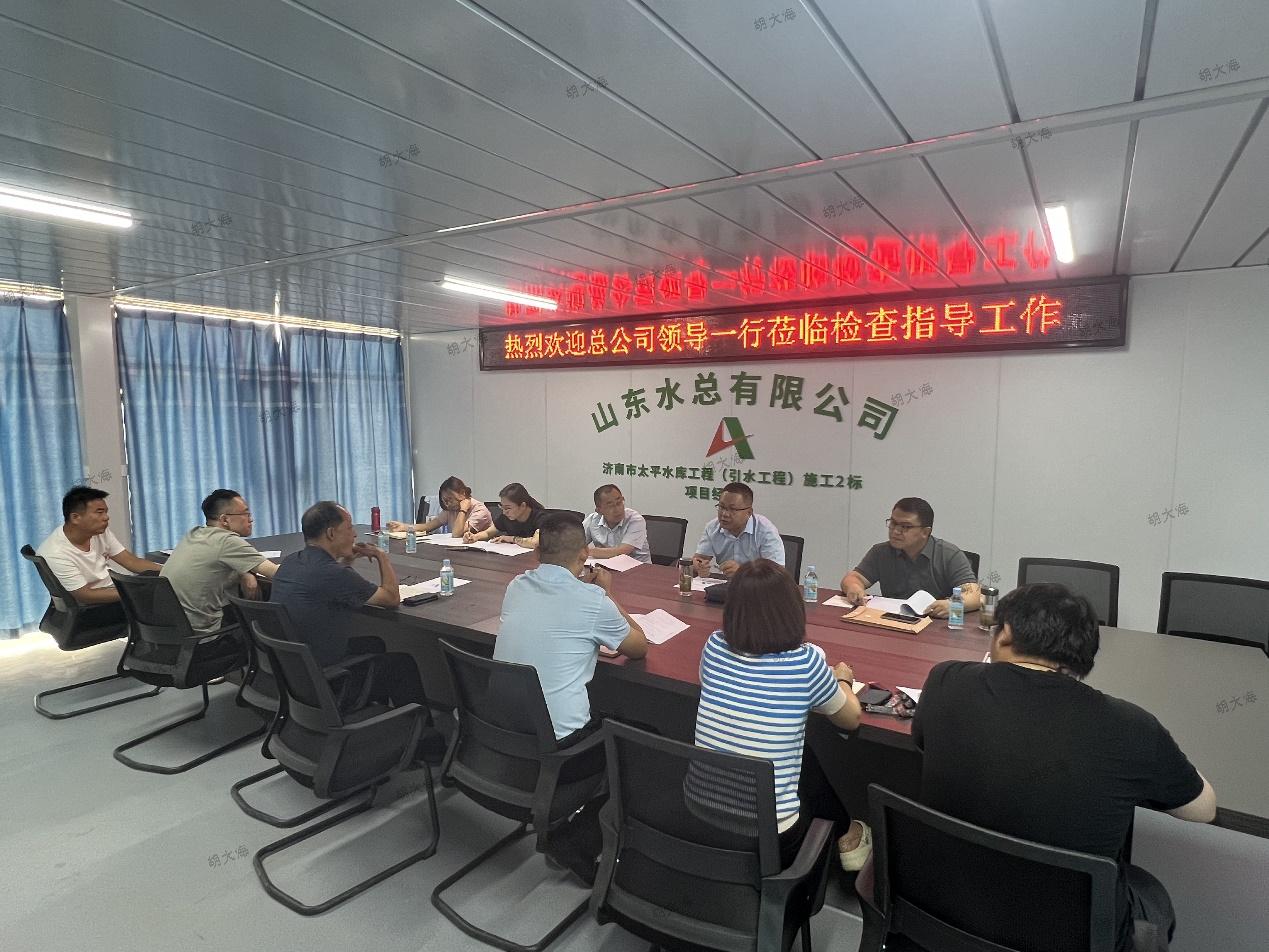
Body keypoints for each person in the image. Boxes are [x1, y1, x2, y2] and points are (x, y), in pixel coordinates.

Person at [911, 583, 1215, 951]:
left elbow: (923, 740)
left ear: (1005, 633)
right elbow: (1203, 809)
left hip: (943, 907)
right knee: (1151, 895)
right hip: (1070, 935)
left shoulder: (945, 680)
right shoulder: (1132, 727)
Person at [694, 559, 870, 871]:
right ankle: (845, 837)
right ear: (792, 611)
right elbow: (851, 718)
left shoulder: (713, 646)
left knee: (803, 755)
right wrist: (842, 679)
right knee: (799, 756)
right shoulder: (806, 663)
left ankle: (842, 831)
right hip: (770, 838)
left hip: (700, 816)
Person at [270, 502, 438, 749]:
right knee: (402, 664)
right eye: (349, 528)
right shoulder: (330, 573)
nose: (355, 535)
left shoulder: (292, 562)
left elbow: (332, 587)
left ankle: (377, 724)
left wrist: (346, 561)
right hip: (327, 681)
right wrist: (381, 557)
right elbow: (391, 598)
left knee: (373, 644)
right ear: (331, 533)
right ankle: (425, 743)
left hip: (298, 674)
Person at [494, 511, 648, 741]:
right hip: (560, 741)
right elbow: (639, 648)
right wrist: (607, 594)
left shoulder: (516, 586)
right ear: (585, 553)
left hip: (501, 727)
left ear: (537, 552)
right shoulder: (593, 600)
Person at [36, 487, 162, 624]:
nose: (106, 517)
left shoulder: (99, 532)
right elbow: (85, 595)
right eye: (99, 512)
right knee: (163, 599)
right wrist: (134, 593)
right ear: (75, 518)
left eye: (106, 512)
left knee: (158, 579)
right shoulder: (56, 552)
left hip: (114, 592)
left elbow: (131, 561)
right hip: (95, 609)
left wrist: (169, 571)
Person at [160, 489, 277, 635]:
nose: (251, 519)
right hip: (203, 634)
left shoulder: (194, 533)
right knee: (265, 622)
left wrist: (245, 571)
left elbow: (214, 563)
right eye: (246, 514)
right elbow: (276, 573)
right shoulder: (227, 541)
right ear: (225, 520)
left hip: (170, 630)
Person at [839, 496, 979, 618]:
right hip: (893, 622)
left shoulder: (949, 554)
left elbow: (975, 594)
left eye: (905, 527)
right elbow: (853, 578)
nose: (895, 531)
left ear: (925, 532)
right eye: (893, 523)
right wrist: (854, 587)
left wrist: (952, 605)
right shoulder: (881, 552)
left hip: (934, 625)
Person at [691, 481, 784, 578]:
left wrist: (743, 572)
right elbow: (699, 559)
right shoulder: (712, 527)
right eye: (721, 507)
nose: (724, 514)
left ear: (749, 512)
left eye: (733, 509)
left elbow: (777, 574)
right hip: (725, 584)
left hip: (756, 586)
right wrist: (698, 566)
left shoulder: (765, 531)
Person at [386, 475, 492, 538]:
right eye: (445, 501)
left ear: (462, 493)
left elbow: (457, 534)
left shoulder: (480, 510)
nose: (447, 504)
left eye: (450, 499)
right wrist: (404, 527)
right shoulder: (451, 509)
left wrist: (463, 510)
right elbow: (428, 526)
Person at [463, 482, 546, 549]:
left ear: (523, 506)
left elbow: (535, 543)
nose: (504, 512)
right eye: (502, 507)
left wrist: (511, 538)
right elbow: (488, 533)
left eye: (507, 508)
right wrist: (474, 537)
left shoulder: (541, 517)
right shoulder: (507, 517)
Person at [583, 484, 649, 563]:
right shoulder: (592, 520)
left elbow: (622, 551)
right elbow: (575, 543)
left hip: (638, 567)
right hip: (606, 565)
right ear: (599, 510)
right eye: (610, 506)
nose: (617, 509)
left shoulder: (635, 520)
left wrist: (588, 551)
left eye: (619, 503)